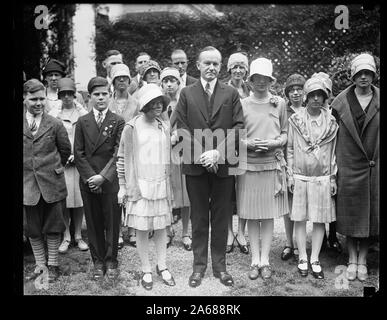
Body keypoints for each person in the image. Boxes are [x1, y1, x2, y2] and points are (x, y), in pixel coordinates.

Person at [175, 46, 244, 288]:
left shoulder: (231, 93)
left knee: (221, 215)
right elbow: (181, 127)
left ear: (220, 66)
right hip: (195, 166)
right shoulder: (186, 93)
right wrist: (203, 155)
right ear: (198, 65)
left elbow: (238, 126)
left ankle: (220, 266)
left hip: (224, 166)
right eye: (207, 63)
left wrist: (218, 153)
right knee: (199, 215)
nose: (212, 67)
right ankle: (198, 267)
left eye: (216, 63)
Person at [117, 83, 175, 290]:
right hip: (139, 185)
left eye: (161, 102)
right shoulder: (131, 127)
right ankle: (146, 269)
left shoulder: (163, 126)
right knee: (141, 229)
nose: (158, 106)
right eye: (154, 102)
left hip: (160, 183)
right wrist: (123, 186)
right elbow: (122, 158)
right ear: (145, 104)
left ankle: (162, 265)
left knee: (161, 227)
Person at [237, 58, 288, 280]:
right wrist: (248, 144)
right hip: (249, 166)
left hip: (271, 165)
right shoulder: (242, 104)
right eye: (256, 78)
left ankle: (265, 260)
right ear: (250, 80)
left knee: (267, 216)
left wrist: (275, 143)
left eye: (265, 79)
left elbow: (285, 133)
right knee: (251, 214)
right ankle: (254, 260)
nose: (260, 82)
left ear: (270, 80)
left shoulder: (279, 103)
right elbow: (235, 134)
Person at [331, 53, 379, 282]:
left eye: (367, 73)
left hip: (374, 166)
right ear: (352, 75)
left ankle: (363, 259)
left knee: (370, 214)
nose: (363, 77)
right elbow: (330, 135)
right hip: (349, 165)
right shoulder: (339, 102)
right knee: (350, 213)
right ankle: (351, 258)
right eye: (359, 73)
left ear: (373, 75)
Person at [74, 77, 125, 280]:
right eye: (96, 94)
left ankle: (111, 260)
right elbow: (79, 153)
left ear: (110, 95)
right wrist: (90, 178)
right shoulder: (82, 122)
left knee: (112, 222)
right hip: (89, 182)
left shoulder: (118, 121)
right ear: (90, 97)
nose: (101, 97)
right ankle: (98, 261)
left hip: (110, 181)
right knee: (93, 223)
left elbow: (118, 153)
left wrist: (103, 177)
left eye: (104, 93)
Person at [287, 77, 338, 280]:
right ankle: (302, 257)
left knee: (319, 220)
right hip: (300, 176)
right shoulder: (296, 120)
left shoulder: (331, 122)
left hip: (322, 178)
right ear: (306, 98)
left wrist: (333, 178)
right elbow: (290, 148)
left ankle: (315, 258)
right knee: (299, 219)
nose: (316, 99)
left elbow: (333, 152)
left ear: (325, 98)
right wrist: (290, 175)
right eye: (313, 95)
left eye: (321, 95)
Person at [23, 79, 71, 282]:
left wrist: (54, 168)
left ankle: (53, 264)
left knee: (53, 224)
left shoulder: (55, 123)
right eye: (33, 99)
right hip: (27, 185)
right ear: (24, 98)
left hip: (52, 183)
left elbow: (65, 149)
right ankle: (40, 264)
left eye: (42, 99)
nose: (38, 103)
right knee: (32, 227)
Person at [48, 78, 89, 253]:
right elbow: (50, 138)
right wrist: (63, 156)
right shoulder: (54, 115)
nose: (66, 97)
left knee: (78, 200)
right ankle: (66, 236)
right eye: (63, 94)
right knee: (64, 200)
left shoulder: (82, 114)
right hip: (62, 163)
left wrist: (77, 155)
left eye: (69, 94)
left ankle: (78, 235)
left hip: (79, 161)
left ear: (74, 95)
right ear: (59, 96)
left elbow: (88, 135)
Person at [160, 67, 192, 251]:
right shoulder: (157, 105)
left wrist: (179, 134)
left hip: (182, 152)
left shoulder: (185, 102)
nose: (170, 84)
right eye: (166, 81)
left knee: (186, 193)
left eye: (173, 80)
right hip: (163, 155)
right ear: (162, 84)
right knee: (166, 192)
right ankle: (167, 230)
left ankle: (186, 232)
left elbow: (193, 124)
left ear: (179, 83)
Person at [108, 63, 140, 248]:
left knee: (131, 188)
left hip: (131, 151)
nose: (122, 81)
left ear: (129, 81)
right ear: (112, 81)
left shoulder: (135, 103)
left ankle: (133, 230)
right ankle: (117, 231)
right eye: (118, 78)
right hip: (110, 152)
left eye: (125, 78)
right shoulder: (108, 101)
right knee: (115, 191)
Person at [311, 71, 342, 254]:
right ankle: (320, 239)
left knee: (333, 198)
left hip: (335, 158)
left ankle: (333, 236)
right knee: (319, 201)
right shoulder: (312, 113)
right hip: (318, 162)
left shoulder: (335, 112)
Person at [225, 52, 250, 255]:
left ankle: (241, 232)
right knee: (226, 190)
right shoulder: (223, 89)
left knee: (243, 189)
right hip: (226, 143)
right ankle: (228, 232)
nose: (238, 70)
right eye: (235, 67)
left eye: (242, 67)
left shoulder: (251, 89)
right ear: (229, 69)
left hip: (245, 145)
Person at [280, 73, 306, 262]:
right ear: (287, 94)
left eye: (299, 89)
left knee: (301, 207)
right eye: (292, 90)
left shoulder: (310, 111)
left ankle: (300, 244)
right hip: (286, 164)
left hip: (305, 166)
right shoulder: (283, 111)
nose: (296, 93)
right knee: (288, 207)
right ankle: (289, 243)